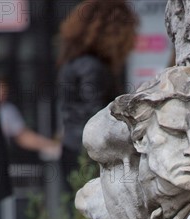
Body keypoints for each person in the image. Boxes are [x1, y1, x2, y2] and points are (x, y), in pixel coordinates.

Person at [57, 0, 138, 195]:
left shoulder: (73, 63)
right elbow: (98, 116)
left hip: (72, 148)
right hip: (90, 154)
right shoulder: (93, 67)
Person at [0, 78, 60, 157]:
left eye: (4, 89)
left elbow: (23, 136)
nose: (2, 92)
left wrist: (51, 145)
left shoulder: (8, 110)